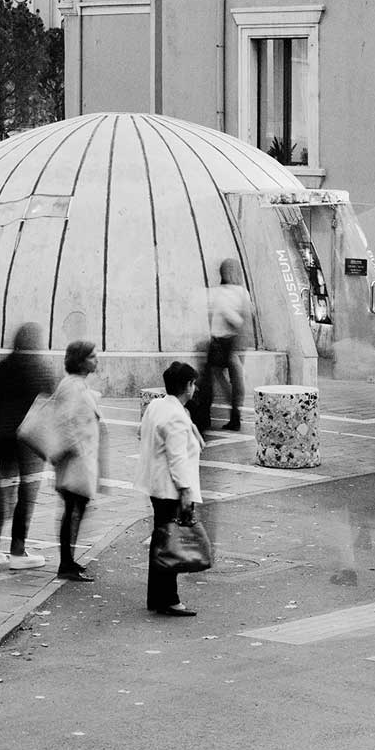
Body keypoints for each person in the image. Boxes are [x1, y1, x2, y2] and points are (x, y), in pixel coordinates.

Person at [136, 360, 204, 617]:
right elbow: (176, 458)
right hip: (170, 488)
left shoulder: (157, 406)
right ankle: (170, 598)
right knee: (170, 543)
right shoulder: (175, 415)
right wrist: (185, 491)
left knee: (160, 540)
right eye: (193, 383)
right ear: (187, 386)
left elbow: (142, 434)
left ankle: (157, 596)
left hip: (156, 484)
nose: (195, 388)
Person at [0, 322, 55, 569]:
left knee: (3, 493)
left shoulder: (4, 366)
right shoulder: (39, 367)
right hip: (29, 441)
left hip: (3, 438)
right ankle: (17, 551)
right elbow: (52, 398)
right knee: (27, 495)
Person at [48, 339, 107, 581]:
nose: (96, 360)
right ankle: (66, 564)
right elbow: (64, 421)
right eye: (92, 356)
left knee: (75, 510)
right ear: (81, 361)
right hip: (75, 462)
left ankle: (69, 561)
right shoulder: (72, 386)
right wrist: (79, 452)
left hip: (79, 462)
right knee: (72, 512)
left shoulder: (77, 385)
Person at [195, 258, 253, 433]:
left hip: (225, 342)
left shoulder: (222, 292)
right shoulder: (242, 293)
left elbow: (236, 318)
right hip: (231, 343)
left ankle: (231, 415)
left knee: (224, 378)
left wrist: (227, 313)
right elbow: (247, 317)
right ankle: (234, 415)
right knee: (232, 381)